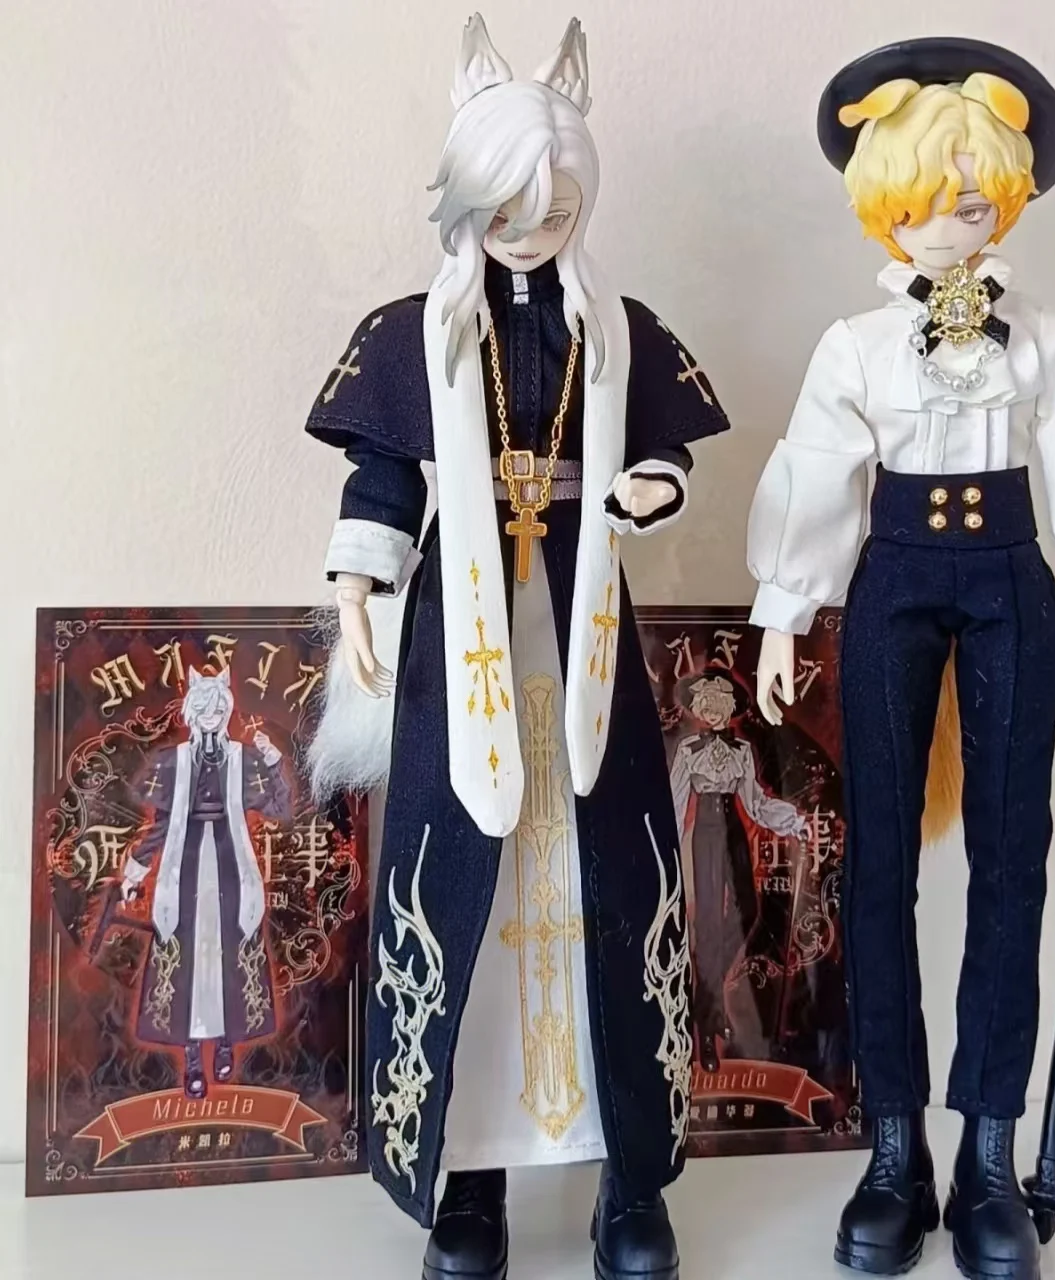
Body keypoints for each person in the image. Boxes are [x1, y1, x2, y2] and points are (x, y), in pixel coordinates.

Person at [746, 38, 1055, 1280]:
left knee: (1012, 863)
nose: (951, 217)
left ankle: (988, 1151)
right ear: (881, 204)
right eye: (925, 197)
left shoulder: (1037, 337)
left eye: (973, 196)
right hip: (890, 586)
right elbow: (814, 479)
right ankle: (892, 1149)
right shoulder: (854, 346)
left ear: (1006, 198)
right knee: (876, 865)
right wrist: (785, 611)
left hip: (1008, 588)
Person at [305, 16, 728, 1280]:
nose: (529, 230)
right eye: (505, 210)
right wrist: (358, 587)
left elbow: (666, 450)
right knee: (464, 894)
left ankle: (626, 1173)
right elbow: (383, 476)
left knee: (606, 883)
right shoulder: (415, 329)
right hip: (462, 631)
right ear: (464, 200)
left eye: (553, 208)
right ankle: (470, 1171)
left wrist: (650, 489)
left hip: (585, 626)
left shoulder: (617, 326)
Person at [123, 667, 289, 1099]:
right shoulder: (175, 761)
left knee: (232, 950)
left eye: (218, 708)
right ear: (192, 712)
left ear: (226, 709)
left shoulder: (241, 757)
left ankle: (228, 1039)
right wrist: (136, 869)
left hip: (232, 866)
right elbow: (162, 825)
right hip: (186, 865)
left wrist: (273, 763)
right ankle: (194, 1054)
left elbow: (281, 809)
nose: (211, 715)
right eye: (204, 708)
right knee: (189, 958)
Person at [668, 674, 805, 1071]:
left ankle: (704, 999)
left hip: (734, 831)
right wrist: (664, 848)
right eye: (705, 704)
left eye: (719, 704)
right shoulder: (688, 750)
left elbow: (756, 802)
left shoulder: (742, 750)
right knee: (709, 923)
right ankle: (708, 1026)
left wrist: (793, 821)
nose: (712, 711)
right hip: (705, 833)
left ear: (730, 709)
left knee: (748, 911)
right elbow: (677, 801)